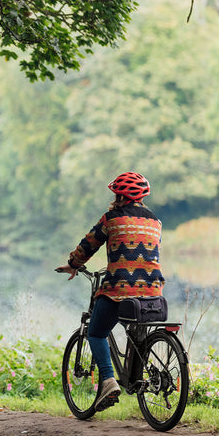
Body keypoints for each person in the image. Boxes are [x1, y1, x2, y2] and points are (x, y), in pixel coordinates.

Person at [56, 171, 165, 412]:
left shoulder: (111, 219)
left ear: (119, 195)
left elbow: (88, 245)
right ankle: (137, 375)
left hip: (119, 288)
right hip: (152, 290)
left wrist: (73, 265)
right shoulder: (156, 222)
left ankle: (108, 381)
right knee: (134, 331)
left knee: (96, 332)